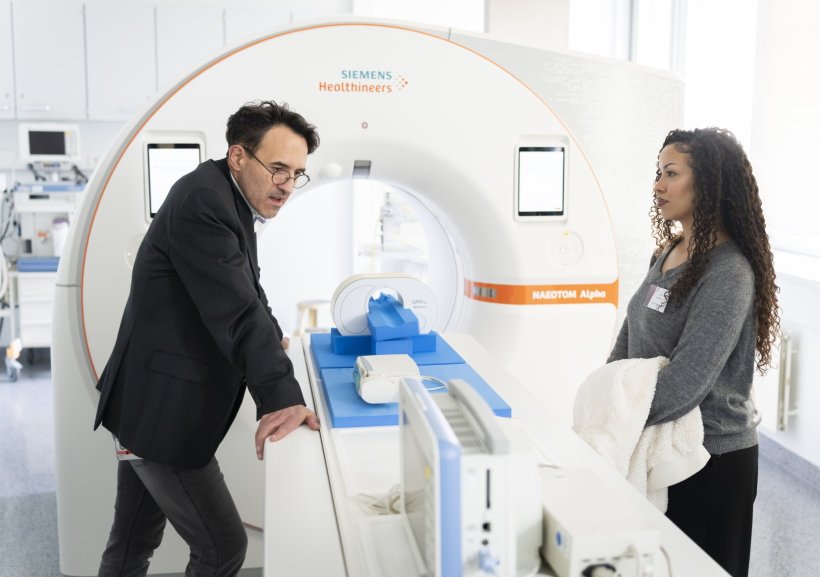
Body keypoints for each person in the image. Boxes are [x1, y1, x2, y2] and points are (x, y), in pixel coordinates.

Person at [94, 100, 321, 577]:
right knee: (222, 548)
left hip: (144, 402)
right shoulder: (205, 202)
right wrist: (282, 398)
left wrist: (274, 338)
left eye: (297, 173)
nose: (287, 185)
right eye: (278, 168)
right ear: (238, 156)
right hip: (161, 413)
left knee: (132, 545)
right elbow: (238, 312)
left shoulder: (227, 196)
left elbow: (246, 287)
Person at [607, 127, 779, 577]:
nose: (658, 185)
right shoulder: (665, 253)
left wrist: (615, 419)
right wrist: (606, 398)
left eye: (671, 173)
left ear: (707, 183)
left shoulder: (729, 273)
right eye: (657, 173)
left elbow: (687, 383)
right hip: (656, 443)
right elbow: (629, 341)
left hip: (712, 459)